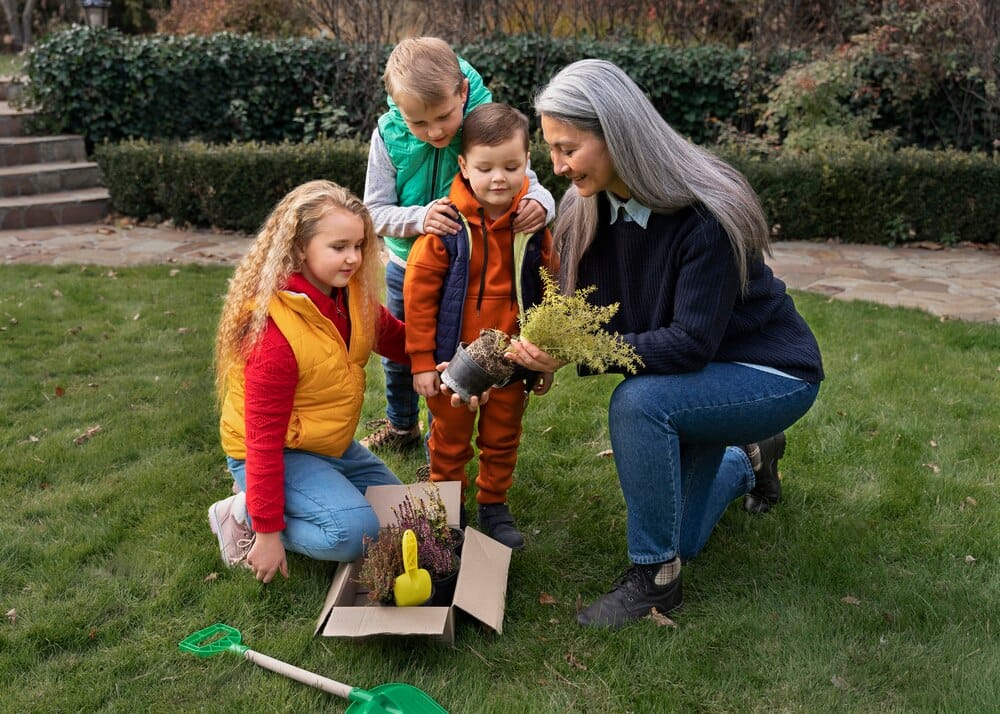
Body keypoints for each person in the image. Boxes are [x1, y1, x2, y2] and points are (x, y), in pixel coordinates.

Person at [510, 59, 824, 627]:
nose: (555, 167)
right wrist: (530, 356)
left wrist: (579, 352)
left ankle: (655, 578)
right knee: (689, 535)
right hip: (700, 377)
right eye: (551, 149)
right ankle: (752, 456)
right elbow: (559, 293)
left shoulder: (707, 215)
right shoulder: (589, 210)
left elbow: (688, 346)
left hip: (769, 371)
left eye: (568, 148)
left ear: (616, 133)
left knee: (639, 403)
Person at [362, 36, 555, 454]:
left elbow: (526, 177)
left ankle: (439, 444)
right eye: (419, 123)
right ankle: (401, 427)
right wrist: (418, 217)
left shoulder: (482, 123)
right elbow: (373, 211)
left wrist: (542, 203)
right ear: (398, 109)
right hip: (403, 264)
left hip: (463, 269)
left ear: (462, 94)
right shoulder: (388, 134)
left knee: (448, 354)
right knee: (400, 355)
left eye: (444, 117)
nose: (434, 131)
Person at [208, 180, 408, 584]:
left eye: (359, 245)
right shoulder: (272, 333)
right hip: (274, 451)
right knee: (356, 534)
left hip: (325, 443)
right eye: (339, 247)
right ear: (300, 249)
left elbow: (398, 340)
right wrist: (268, 532)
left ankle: (287, 503)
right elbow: (262, 440)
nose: (353, 258)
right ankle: (242, 515)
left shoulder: (349, 295)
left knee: (402, 513)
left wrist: (446, 361)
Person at [403, 103, 558, 550]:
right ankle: (447, 512)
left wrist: (543, 356)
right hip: (453, 358)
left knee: (502, 435)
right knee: (450, 439)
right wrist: (421, 361)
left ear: (527, 163)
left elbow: (549, 292)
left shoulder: (532, 226)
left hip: (512, 357)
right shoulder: (446, 227)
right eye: (486, 167)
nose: (499, 178)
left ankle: (494, 504)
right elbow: (419, 297)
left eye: (512, 167)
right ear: (464, 166)